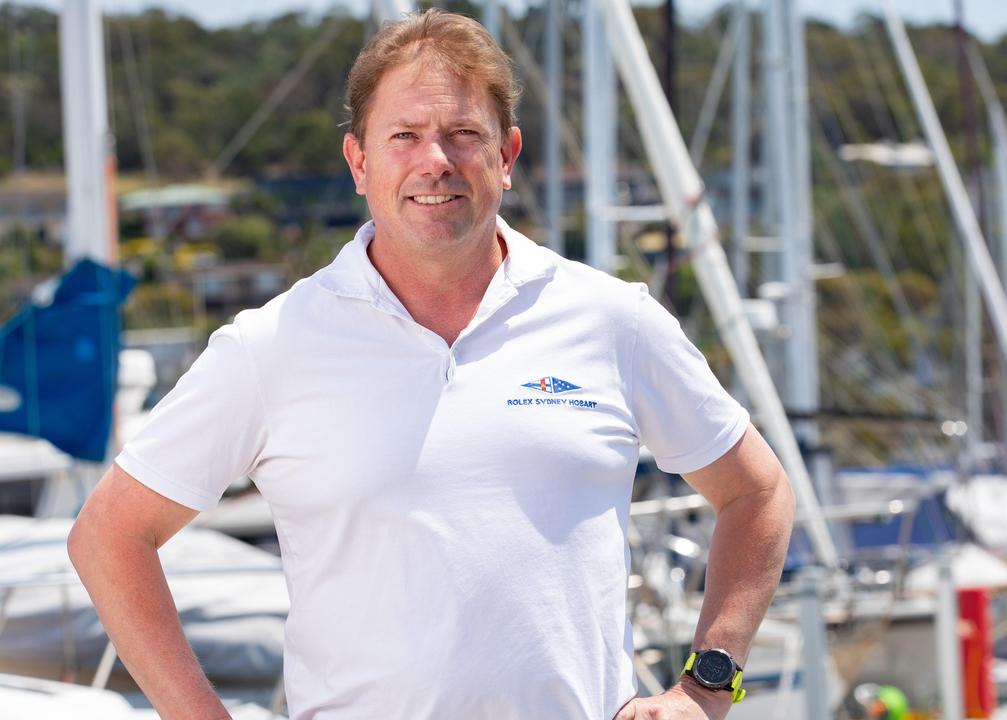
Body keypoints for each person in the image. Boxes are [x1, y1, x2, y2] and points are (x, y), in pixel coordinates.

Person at [68, 9, 795, 720]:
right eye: (405, 136)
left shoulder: (613, 320)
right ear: (359, 161)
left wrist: (707, 688)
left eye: (462, 135)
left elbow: (757, 493)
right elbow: (110, 536)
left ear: (507, 157)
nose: (434, 161)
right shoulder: (270, 347)